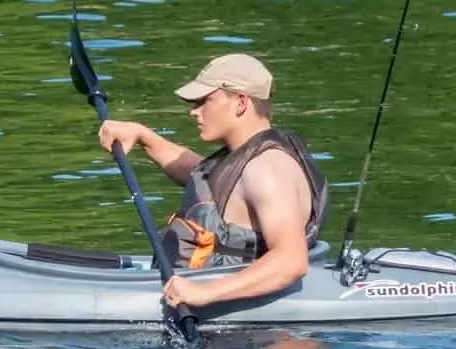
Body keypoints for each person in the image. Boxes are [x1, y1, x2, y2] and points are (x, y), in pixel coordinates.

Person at [98, 53, 328, 310]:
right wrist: (143, 136)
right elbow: (202, 178)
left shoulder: (267, 169)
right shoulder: (244, 155)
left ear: (241, 102)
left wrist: (203, 293)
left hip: (247, 339)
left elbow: (291, 261)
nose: (194, 112)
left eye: (204, 101)